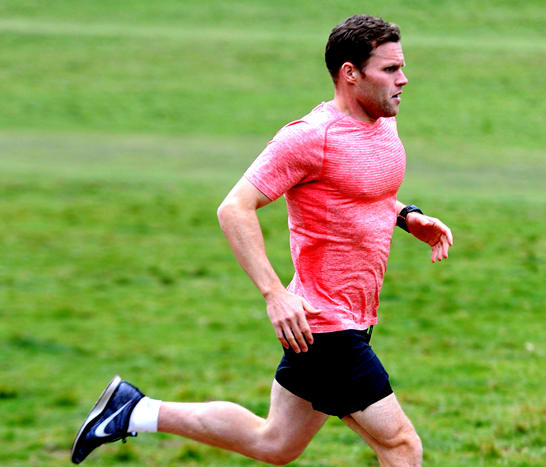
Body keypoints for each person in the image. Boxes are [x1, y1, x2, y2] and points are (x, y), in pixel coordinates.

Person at [71, 14, 453, 466]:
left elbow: (361, 194)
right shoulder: (310, 138)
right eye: (390, 69)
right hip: (325, 326)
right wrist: (274, 294)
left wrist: (407, 217)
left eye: (401, 67)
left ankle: (135, 410)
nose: (403, 79)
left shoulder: (383, 122)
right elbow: (234, 208)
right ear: (350, 73)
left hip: (352, 317)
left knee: (276, 442)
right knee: (402, 446)